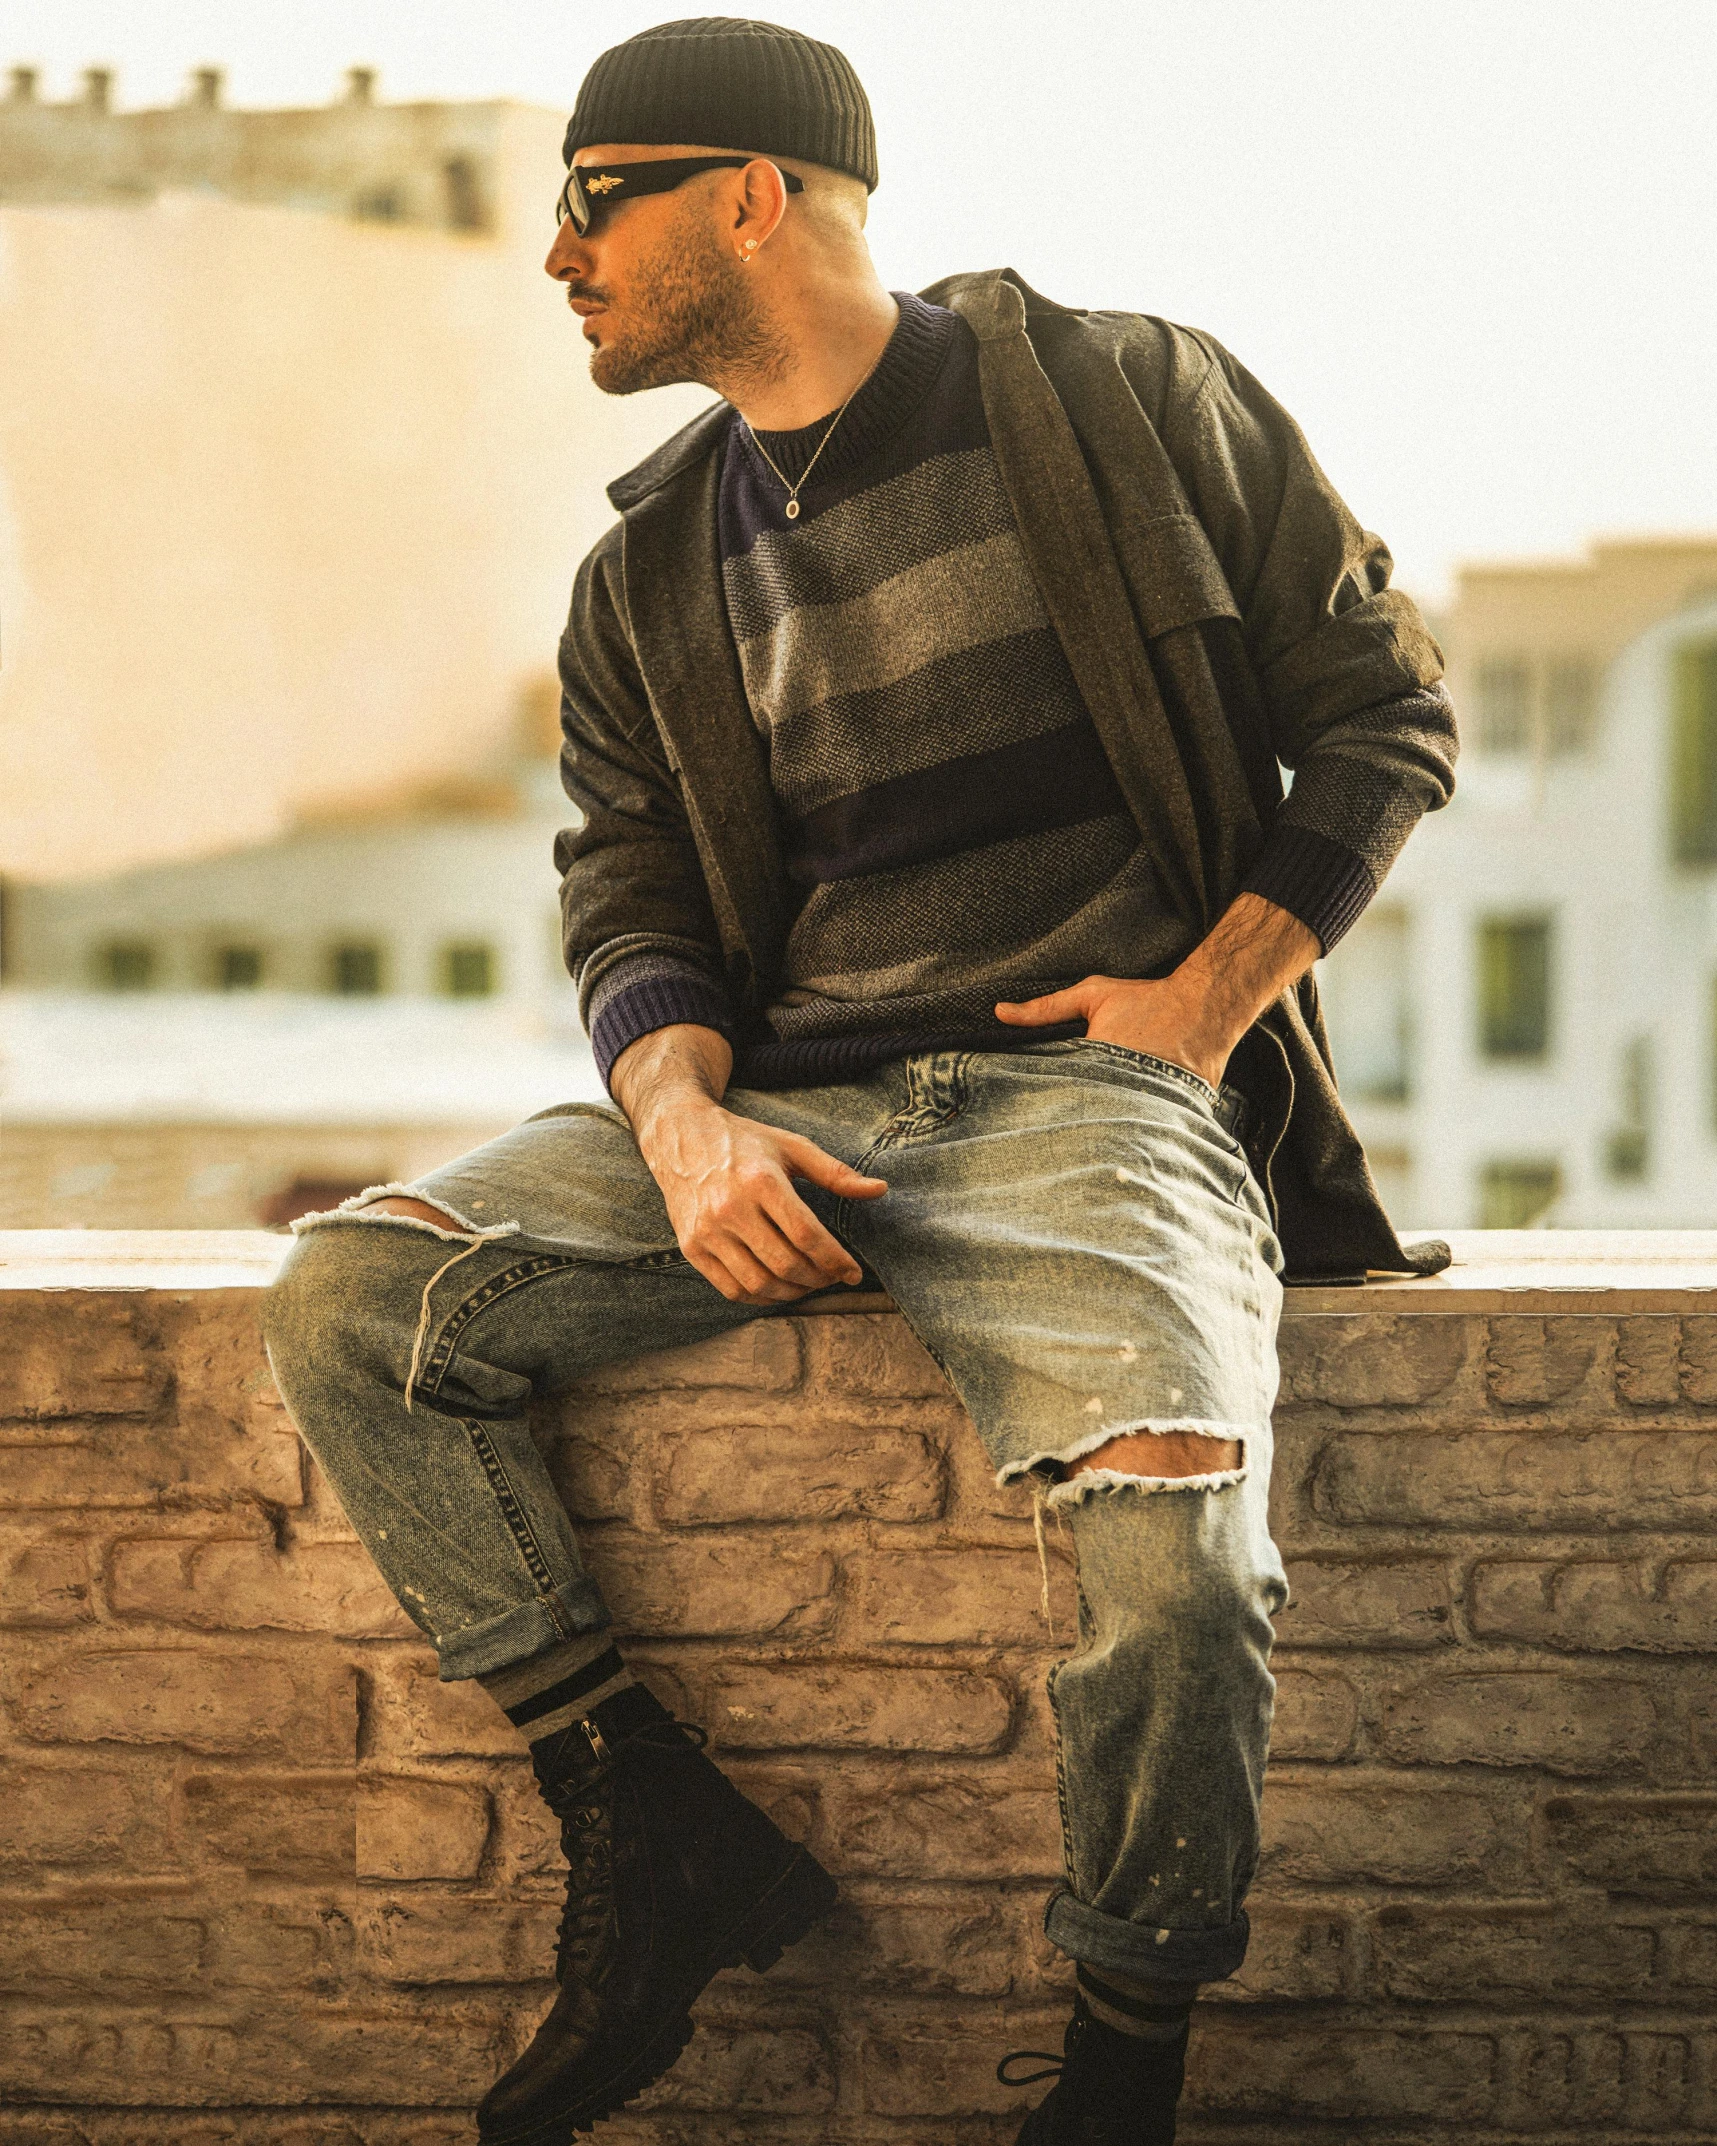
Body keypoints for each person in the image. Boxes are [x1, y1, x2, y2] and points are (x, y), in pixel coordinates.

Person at [264, 18, 1458, 2143]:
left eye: (591, 198)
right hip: (789, 1109)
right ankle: (643, 1815)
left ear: (754, 194)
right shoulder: (641, 569)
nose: (555, 256)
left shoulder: (1124, 398)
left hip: (1088, 1104)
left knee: (1180, 1544)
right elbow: (625, 888)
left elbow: (1384, 711)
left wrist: (1202, 1004)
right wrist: (686, 1120)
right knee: (360, 1293)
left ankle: (1120, 2052)